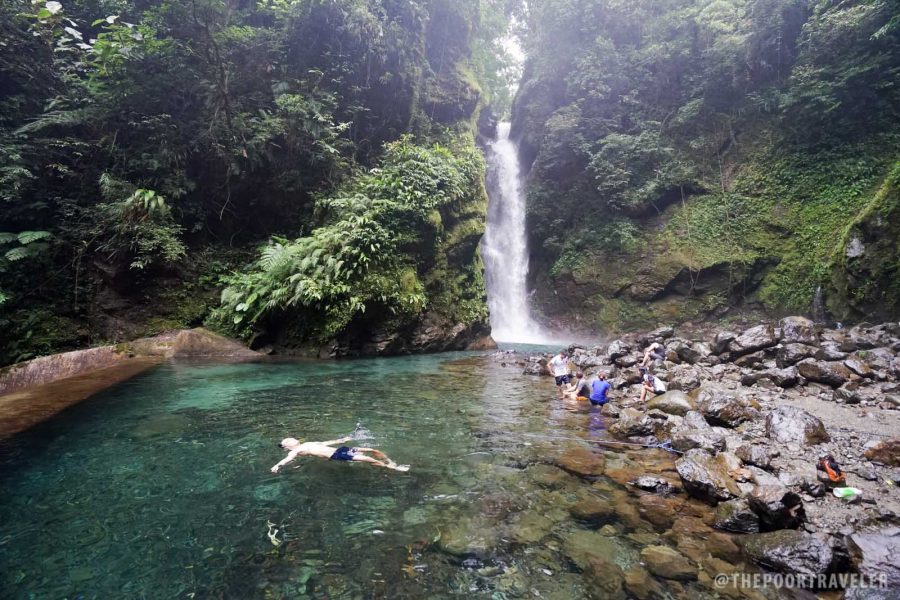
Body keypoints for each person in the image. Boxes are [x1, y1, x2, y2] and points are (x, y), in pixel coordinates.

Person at [271, 436, 409, 473]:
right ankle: (393, 468)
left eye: (289, 437)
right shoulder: (296, 451)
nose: (290, 438)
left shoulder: (309, 443)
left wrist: (342, 440)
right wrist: (278, 465)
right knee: (367, 458)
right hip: (337, 456)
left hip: (341, 450)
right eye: (287, 441)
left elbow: (327, 442)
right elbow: (288, 458)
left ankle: (390, 462)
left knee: (371, 450)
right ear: (287, 447)